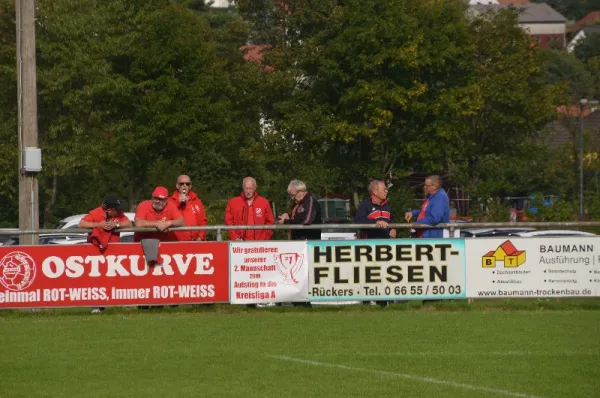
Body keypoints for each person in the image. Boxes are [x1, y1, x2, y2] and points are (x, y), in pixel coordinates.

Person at [79, 195, 132, 313]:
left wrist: (116, 225)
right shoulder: (95, 213)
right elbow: (81, 224)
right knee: (97, 279)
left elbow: (129, 224)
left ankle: (118, 303)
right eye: (117, 209)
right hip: (97, 253)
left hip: (114, 253)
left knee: (116, 277)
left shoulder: (119, 215)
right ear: (109, 210)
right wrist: (99, 225)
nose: (119, 211)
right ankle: (97, 305)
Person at [225, 177, 274, 241]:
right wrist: (235, 237)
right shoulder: (233, 203)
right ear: (243, 188)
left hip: (259, 244)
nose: (248, 191)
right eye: (246, 188)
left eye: (250, 188)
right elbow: (228, 222)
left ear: (255, 188)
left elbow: (270, 222)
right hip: (239, 243)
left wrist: (265, 238)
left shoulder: (264, 202)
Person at [169, 175, 208, 241]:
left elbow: (203, 220)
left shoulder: (196, 200)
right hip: (177, 242)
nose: (184, 185)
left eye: (187, 184)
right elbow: (167, 216)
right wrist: (178, 202)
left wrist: (201, 237)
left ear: (190, 186)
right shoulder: (170, 201)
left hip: (196, 241)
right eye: (182, 184)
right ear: (177, 186)